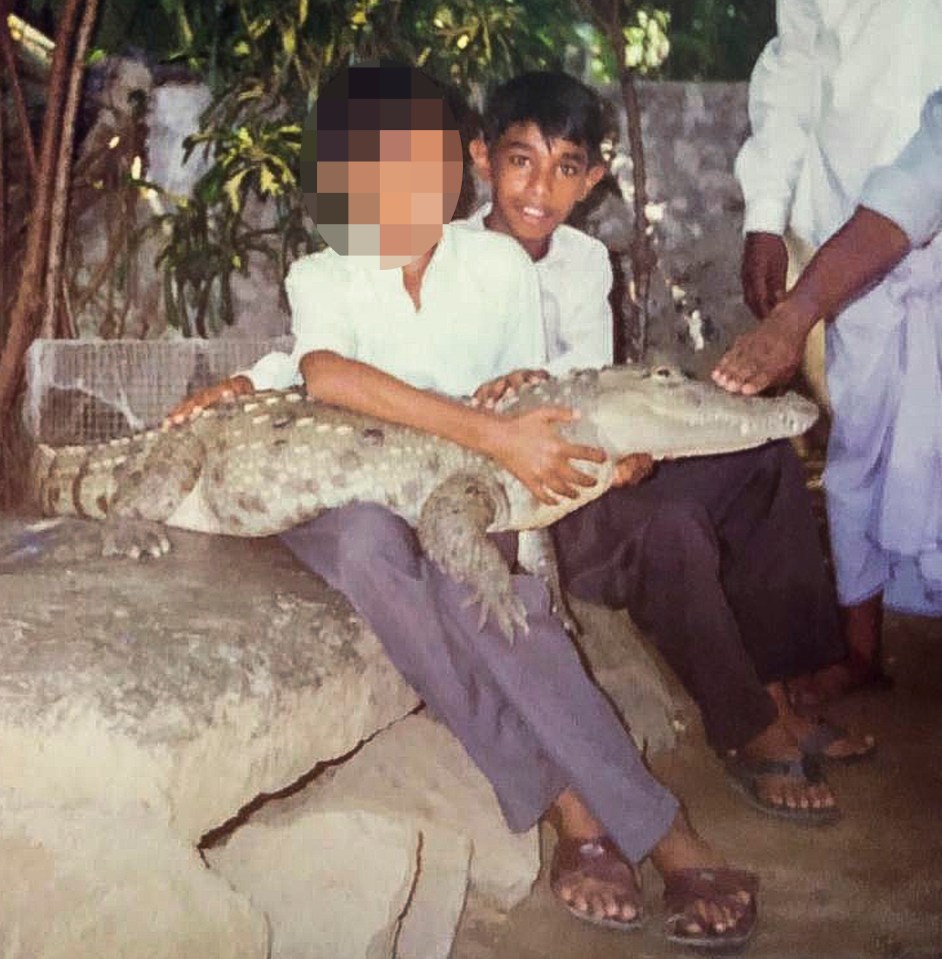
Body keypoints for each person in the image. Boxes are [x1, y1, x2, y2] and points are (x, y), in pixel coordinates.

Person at [170, 62, 759, 950]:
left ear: (456, 165)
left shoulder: (495, 267)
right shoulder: (324, 270)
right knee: (372, 548)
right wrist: (486, 435)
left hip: (451, 484)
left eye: (423, 158)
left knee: (484, 590)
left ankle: (645, 825)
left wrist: (512, 440)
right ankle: (568, 804)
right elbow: (324, 372)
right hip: (336, 485)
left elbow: (525, 410)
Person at [726, 0, 942, 708]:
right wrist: (766, 216)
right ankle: (860, 650)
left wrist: (799, 313)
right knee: (861, 441)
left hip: (887, 232)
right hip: (852, 234)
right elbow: (792, 73)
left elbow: (924, 173)